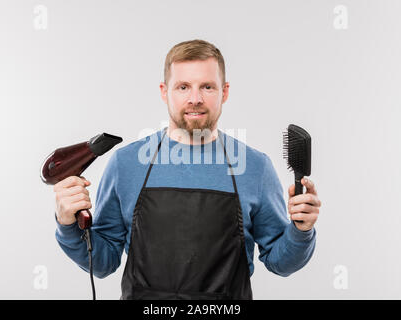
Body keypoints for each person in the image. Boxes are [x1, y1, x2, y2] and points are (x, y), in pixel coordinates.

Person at [54, 39, 322, 300]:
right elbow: (103, 262)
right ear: (164, 91)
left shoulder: (255, 166)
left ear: (224, 92)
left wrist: (301, 230)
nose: (195, 98)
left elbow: (281, 262)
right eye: (183, 87)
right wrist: (68, 224)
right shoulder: (125, 164)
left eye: (207, 86)